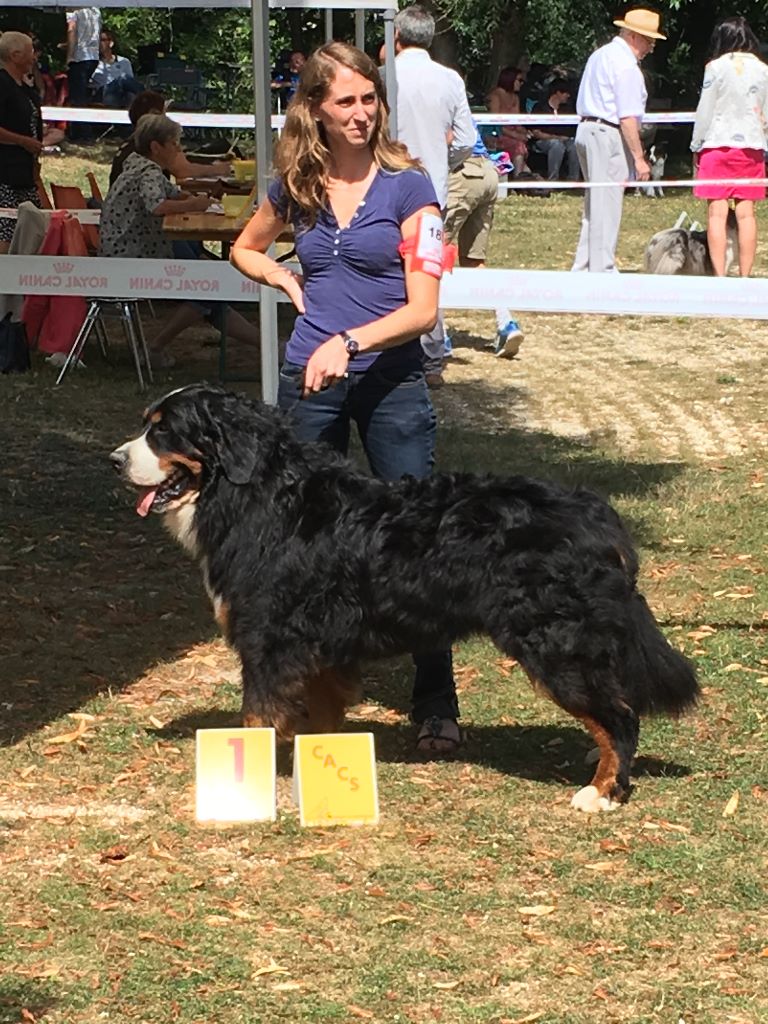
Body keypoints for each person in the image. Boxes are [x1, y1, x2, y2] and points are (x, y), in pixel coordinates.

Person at [231, 41, 462, 754]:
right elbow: (243, 247)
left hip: (389, 385)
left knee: (419, 544)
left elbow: (423, 310)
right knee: (300, 546)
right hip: (308, 383)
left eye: (369, 99)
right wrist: (283, 280)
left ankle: (435, 701)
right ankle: (306, 695)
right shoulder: (294, 186)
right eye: (345, 102)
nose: (360, 114)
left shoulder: (410, 189)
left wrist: (351, 341)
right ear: (315, 110)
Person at [100, 113, 259, 366]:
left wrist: (190, 199)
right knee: (206, 287)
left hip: (130, 250)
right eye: (174, 143)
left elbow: (173, 193)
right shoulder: (148, 172)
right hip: (133, 256)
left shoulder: (140, 166)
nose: (179, 149)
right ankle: (155, 347)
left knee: (208, 285)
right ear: (156, 147)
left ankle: (268, 345)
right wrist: (196, 203)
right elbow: (157, 206)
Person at [392, 3, 475, 389]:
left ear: (396, 37)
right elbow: (467, 140)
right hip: (431, 191)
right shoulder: (450, 80)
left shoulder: (381, 77)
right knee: (427, 267)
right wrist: (444, 160)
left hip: (385, 184)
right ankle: (430, 356)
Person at [571, 8, 662, 273]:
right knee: (607, 204)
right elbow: (627, 118)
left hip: (587, 130)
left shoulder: (600, 55)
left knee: (595, 202)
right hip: (607, 134)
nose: (651, 48)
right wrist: (639, 158)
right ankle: (603, 268)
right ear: (634, 36)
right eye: (649, 41)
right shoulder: (626, 67)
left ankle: (585, 265)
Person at [691, 16, 768, 278]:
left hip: (717, 145)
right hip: (751, 147)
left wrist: (696, 145)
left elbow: (705, 110)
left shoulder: (714, 67)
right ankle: (745, 276)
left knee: (716, 213)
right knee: (746, 214)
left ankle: (720, 276)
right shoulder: (763, 69)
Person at [445, 126, 524, 358]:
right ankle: (506, 322)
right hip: (488, 172)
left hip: (462, 173)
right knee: (474, 260)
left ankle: (437, 340)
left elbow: (447, 137)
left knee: (431, 254)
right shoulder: (456, 97)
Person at [109, 90, 232, 187]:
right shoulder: (152, 142)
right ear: (155, 113)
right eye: (163, 113)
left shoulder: (132, 143)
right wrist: (220, 169)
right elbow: (183, 170)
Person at [0, 32, 43, 255]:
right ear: (14, 55)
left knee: (35, 228)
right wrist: (22, 141)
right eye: (30, 52)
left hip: (24, 174)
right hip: (5, 175)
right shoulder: (2, 84)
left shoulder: (24, 88)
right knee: (6, 232)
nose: (34, 57)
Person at [530, 77, 579, 181]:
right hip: (544, 140)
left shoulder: (568, 109)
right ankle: (553, 180)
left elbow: (572, 129)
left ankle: (573, 179)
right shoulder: (539, 108)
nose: (568, 96)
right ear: (557, 93)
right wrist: (555, 137)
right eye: (566, 93)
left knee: (575, 145)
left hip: (566, 139)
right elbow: (536, 132)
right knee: (556, 145)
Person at [486, 67, 531, 177]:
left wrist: (525, 132)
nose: (521, 84)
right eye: (519, 80)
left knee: (521, 145)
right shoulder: (495, 95)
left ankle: (521, 175)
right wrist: (516, 135)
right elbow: (495, 123)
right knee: (519, 146)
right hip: (497, 134)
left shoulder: (515, 97)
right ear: (510, 79)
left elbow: (516, 121)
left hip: (512, 134)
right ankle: (518, 178)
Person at [65, 6, 101, 141]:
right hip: (93, 56)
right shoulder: (95, 9)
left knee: (77, 98)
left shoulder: (72, 9)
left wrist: (69, 56)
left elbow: (72, 30)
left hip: (79, 57)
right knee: (83, 95)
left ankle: (83, 134)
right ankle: (80, 132)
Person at [90, 28, 144, 108]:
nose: (99, 43)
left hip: (121, 94)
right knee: (122, 78)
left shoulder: (124, 62)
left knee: (127, 88)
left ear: (111, 43)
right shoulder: (93, 63)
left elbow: (131, 84)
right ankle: (152, 100)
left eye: (102, 40)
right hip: (102, 94)